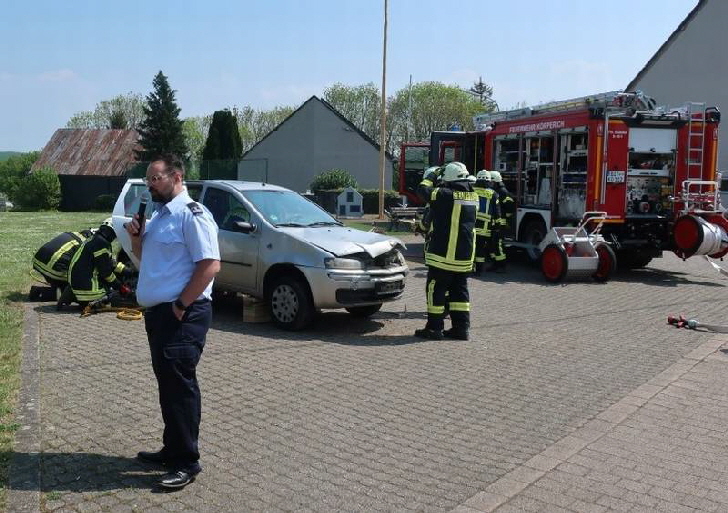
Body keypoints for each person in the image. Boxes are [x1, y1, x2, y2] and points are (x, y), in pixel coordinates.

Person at [125, 154, 220, 490]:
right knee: (168, 386)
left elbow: (209, 265)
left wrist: (181, 305)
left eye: (155, 178)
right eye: (148, 179)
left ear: (176, 177)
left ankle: (187, 462)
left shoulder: (192, 215)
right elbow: (146, 261)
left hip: (182, 315)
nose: (150, 185)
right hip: (159, 314)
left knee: (180, 388)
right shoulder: (159, 215)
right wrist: (137, 237)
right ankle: (172, 449)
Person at [414, 161, 478, 341]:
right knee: (460, 293)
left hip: (443, 256)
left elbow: (422, 192)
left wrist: (430, 177)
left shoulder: (445, 195)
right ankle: (461, 329)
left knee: (436, 289)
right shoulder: (473, 196)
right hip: (464, 257)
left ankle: (434, 328)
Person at [60, 219, 128, 307]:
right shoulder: (102, 244)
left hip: (77, 287)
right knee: (114, 294)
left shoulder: (94, 239)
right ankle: (100, 300)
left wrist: (127, 271)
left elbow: (109, 263)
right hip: (89, 292)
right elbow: (106, 273)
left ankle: (73, 295)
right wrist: (119, 287)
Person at [472, 170, 500, 275]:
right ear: (489, 181)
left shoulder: (471, 190)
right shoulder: (493, 194)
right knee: (480, 249)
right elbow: (497, 212)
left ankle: (469, 268)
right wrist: (497, 226)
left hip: (471, 225)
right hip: (485, 228)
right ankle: (479, 270)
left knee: (470, 247)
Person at [486, 170, 514, 273]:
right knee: (492, 244)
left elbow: (510, 206)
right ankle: (495, 263)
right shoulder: (497, 191)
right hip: (495, 222)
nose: (489, 184)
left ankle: (502, 265)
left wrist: (506, 218)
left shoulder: (502, 192)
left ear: (495, 181)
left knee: (498, 244)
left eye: (490, 182)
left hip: (500, 223)